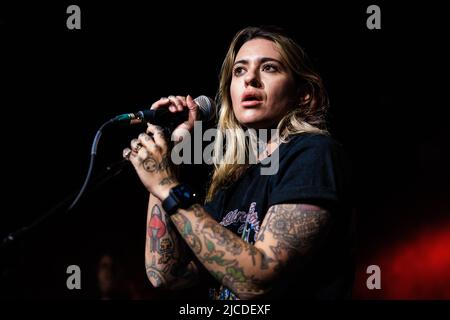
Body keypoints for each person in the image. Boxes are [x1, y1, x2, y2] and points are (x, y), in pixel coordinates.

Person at [122, 26, 354, 299]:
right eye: (239, 70)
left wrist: (166, 185)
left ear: (304, 94)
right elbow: (165, 273)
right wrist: (169, 152)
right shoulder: (231, 180)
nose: (250, 79)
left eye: (269, 68)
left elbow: (257, 280)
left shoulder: (313, 154)